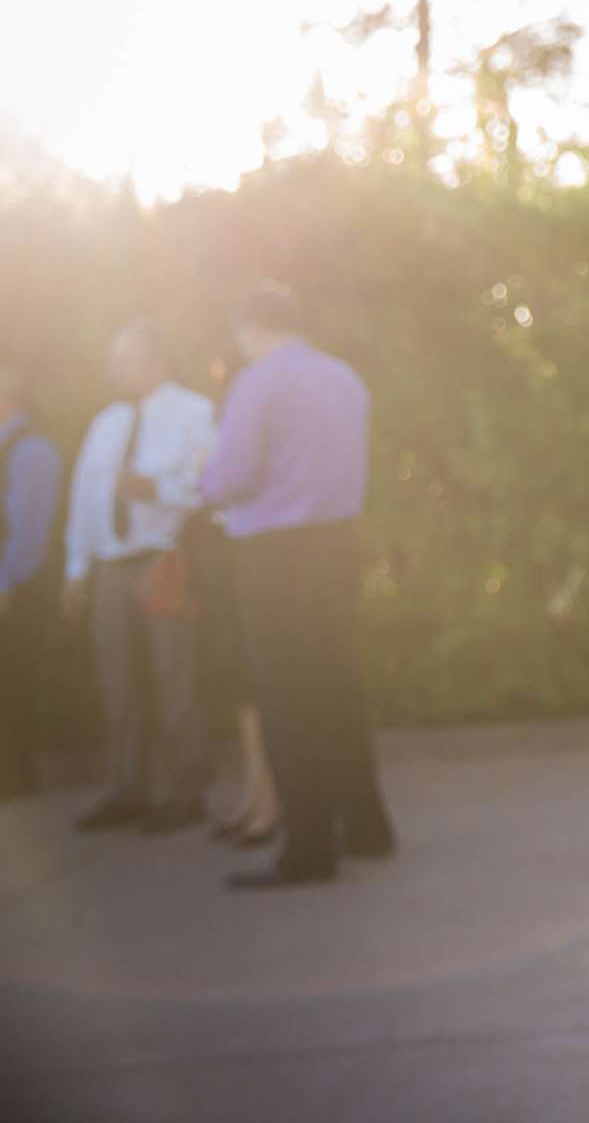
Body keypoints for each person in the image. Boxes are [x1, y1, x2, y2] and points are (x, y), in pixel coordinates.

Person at [200, 284, 394, 889]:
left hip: (275, 556)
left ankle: (308, 850)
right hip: (338, 547)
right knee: (340, 688)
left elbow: (231, 476)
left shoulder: (258, 382)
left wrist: (200, 483)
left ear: (249, 326)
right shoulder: (345, 378)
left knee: (287, 701)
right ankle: (367, 828)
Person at [62, 321, 219, 834]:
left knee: (176, 677)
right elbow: (84, 496)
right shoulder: (107, 421)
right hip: (111, 565)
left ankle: (186, 793)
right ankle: (127, 790)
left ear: (160, 361)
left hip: (163, 560)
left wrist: (159, 490)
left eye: (128, 358)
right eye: (115, 359)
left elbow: (209, 486)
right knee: (118, 682)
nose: (118, 369)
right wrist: (77, 567)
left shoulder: (194, 412)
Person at [0, 347, 63, 800]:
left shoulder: (32, 447)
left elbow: (29, 532)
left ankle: (16, 780)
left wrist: (6, 584)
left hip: (17, 589)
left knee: (13, 685)